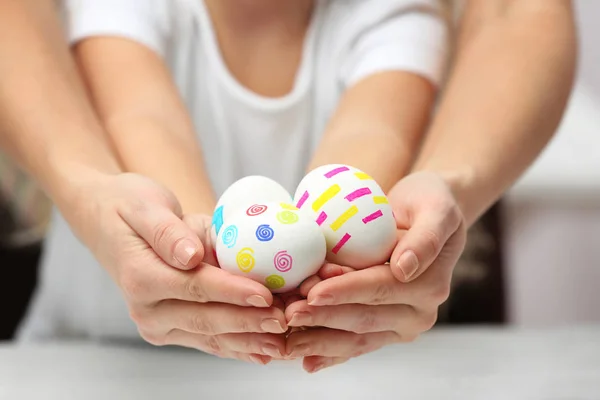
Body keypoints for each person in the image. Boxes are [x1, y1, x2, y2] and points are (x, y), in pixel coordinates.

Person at [0, 0, 576, 374]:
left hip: (334, 368)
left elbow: (366, 141)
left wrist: (313, 255)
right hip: (91, 363)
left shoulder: (390, 13)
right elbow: (142, 116)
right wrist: (205, 245)